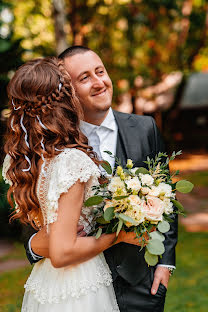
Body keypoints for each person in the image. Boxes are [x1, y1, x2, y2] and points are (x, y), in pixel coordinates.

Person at [23, 47, 178, 312]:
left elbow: (166, 198)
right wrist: (34, 247)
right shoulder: (51, 147)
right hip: (80, 285)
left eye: (100, 71)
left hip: (141, 280)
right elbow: (36, 214)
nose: (99, 82)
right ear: (66, 92)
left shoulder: (144, 129)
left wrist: (164, 263)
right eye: (84, 78)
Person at [2, 56, 146, 311]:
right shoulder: (70, 161)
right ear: (66, 100)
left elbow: (51, 235)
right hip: (78, 282)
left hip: (45, 280)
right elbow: (62, 252)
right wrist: (118, 235)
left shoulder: (22, 160)